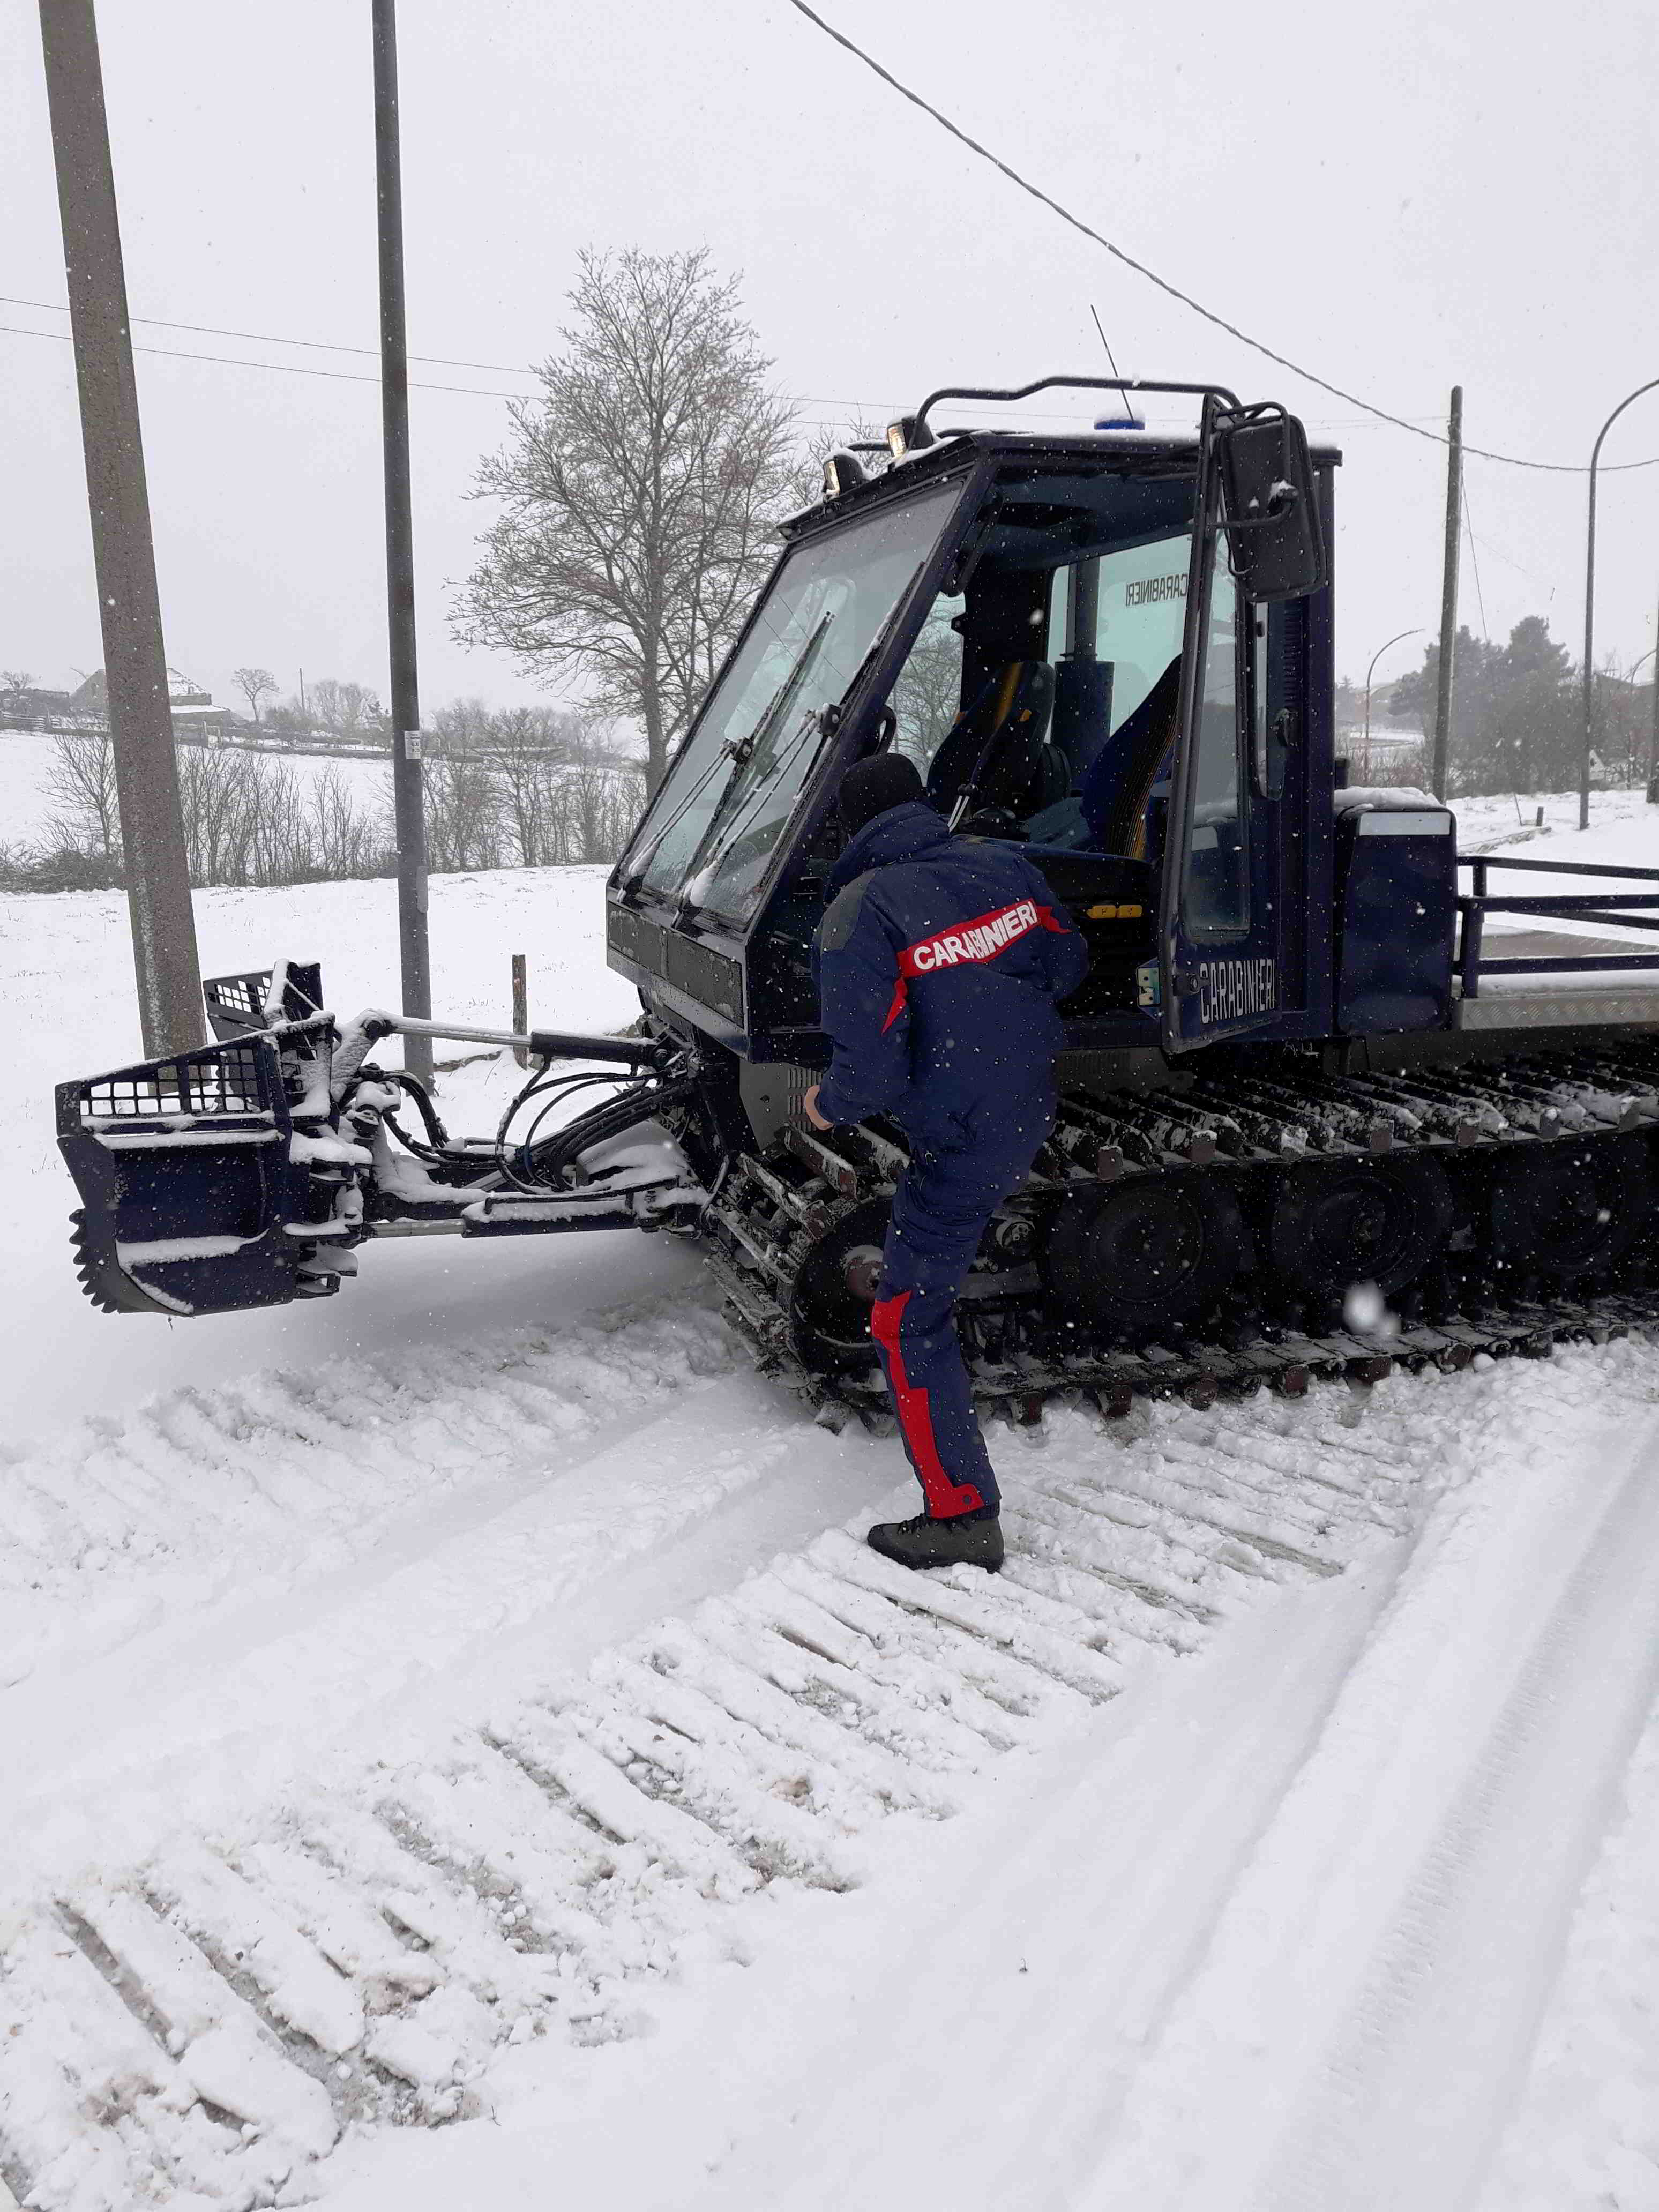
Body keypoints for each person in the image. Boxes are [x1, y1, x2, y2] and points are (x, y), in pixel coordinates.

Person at [804, 752, 1088, 1573]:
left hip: (960, 1136)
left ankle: (963, 1516)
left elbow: (869, 1073)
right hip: (1024, 1103)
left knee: (903, 1318)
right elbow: (1065, 963)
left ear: (850, 827)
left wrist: (827, 1106)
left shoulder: (859, 911)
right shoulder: (1004, 862)